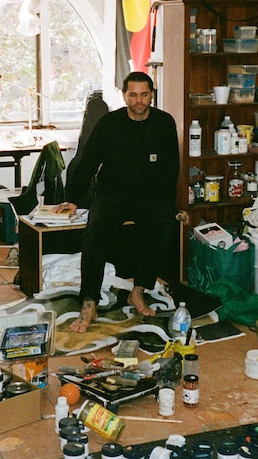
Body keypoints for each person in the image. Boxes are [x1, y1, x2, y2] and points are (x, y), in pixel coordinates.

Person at [53, 71, 183, 333]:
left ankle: (138, 290)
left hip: (150, 196)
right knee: (96, 233)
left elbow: (171, 169)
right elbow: (87, 162)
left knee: (165, 226)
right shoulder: (109, 124)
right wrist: (72, 199)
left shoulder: (164, 122)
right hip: (112, 195)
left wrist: (174, 206)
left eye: (144, 94)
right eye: (133, 95)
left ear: (152, 95)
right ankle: (89, 301)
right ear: (124, 95)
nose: (138, 101)